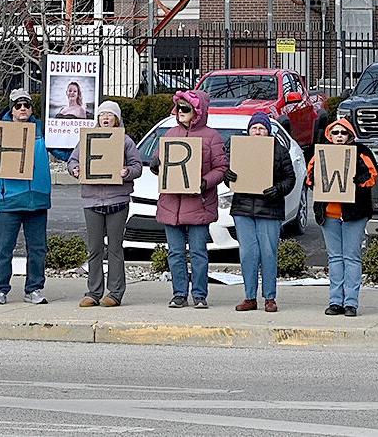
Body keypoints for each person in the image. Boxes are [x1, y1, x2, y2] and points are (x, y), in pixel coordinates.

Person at [0, 88, 72, 305]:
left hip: (37, 199)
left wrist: (76, 138)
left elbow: (63, 153)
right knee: (3, 248)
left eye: (26, 105)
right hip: (8, 200)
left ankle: (34, 288)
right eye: (18, 105)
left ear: (31, 108)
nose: (22, 109)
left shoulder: (42, 129)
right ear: (12, 108)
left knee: (38, 249)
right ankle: (0, 290)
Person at [150, 90, 227, 309]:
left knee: (198, 253)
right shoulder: (169, 134)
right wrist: (156, 164)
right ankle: (179, 294)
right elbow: (160, 161)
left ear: (197, 112)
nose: (180, 112)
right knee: (175, 254)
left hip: (198, 205)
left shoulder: (212, 137)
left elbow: (222, 168)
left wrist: (204, 182)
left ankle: (200, 294)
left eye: (185, 108)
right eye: (178, 108)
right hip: (171, 205)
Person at [67, 101, 142, 307]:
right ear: (97, 119)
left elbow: (137, 166)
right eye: (102, 115)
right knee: (94, 248)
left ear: (117, 119)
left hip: (117, 201)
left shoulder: (125, 141)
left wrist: (127, 172)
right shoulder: (87, 140)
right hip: (92, 201)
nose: (106, 118)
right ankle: (93, 292)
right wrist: (75, 170)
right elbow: (73, 161)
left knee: (115, 248)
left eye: (110, 115)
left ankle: (115, 292)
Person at [305, 118, 378, 317]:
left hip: (354, 215)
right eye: (335, 133)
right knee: (335, 258)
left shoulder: (360, 152)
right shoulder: (321, 153)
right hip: (328, 215)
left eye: (343, 133)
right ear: (330, 135)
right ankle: (335, 301)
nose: (339, 136)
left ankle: (351, 303)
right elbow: (309, 178)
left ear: (350, 135)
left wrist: (355, 180)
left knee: (352, 257)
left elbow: (372, 176)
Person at [225, 112, 296, 313]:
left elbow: (290, 178)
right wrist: (228, 176)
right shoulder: (238, 149)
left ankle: (270, 297)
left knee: (268, 253)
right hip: (243, 207)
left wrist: (278, 189)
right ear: (249, 131)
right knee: (248, 253)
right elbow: (228, 175)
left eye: (262, 128)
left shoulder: (279, 151)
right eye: (254, 128)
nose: (257, 131)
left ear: (268, 131)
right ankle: (249, 296)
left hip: (269, 209)